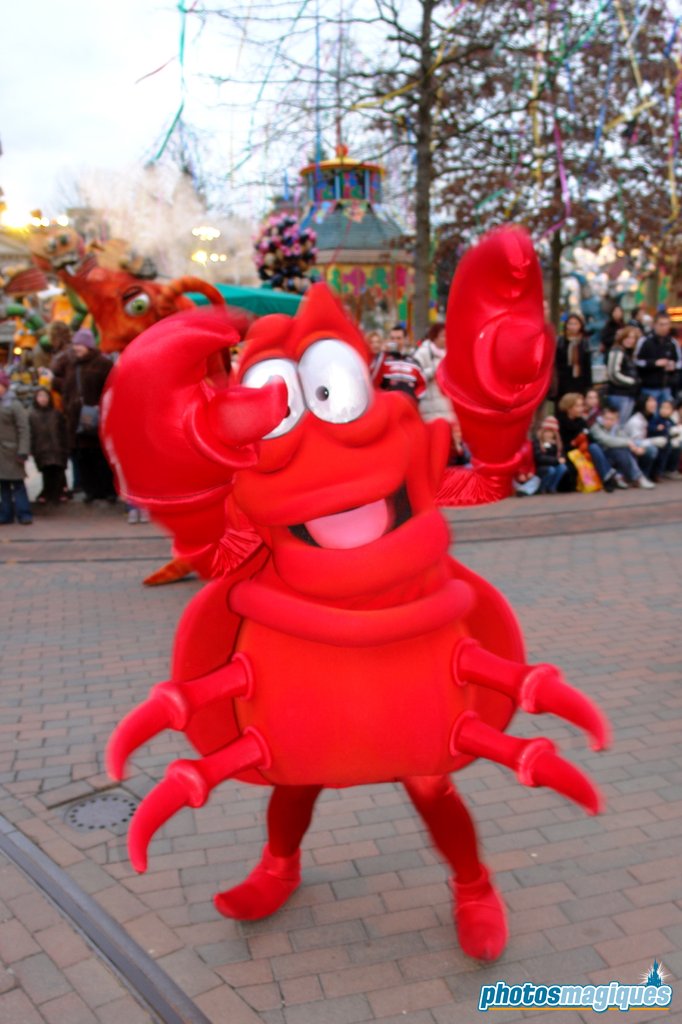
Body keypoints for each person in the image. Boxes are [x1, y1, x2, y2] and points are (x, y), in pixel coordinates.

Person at [60, 329, 117, 503]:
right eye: (75, 344)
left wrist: (102, 407)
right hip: (76, 419)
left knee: (100, 455)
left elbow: (112, 387)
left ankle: (108, 490)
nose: (76, 348)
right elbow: (65, 387)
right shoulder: (71, 364)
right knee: (82, 456)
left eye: (80, 345)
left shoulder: (103, 363)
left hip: (96, 418)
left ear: (89, 346)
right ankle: (90, 490)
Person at [557, 392, 618, 491]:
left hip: (583, 451)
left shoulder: (581, 421)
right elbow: (563, 445)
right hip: (569, 454)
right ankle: (608, 476)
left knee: (594, 447)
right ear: (569, 408)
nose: (581, 409)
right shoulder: (561, 422)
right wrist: (577, 442)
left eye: (582, 405)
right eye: (578, 406)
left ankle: (607, 476)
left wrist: (584, 441)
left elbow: (590, 439)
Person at [589, 403, 656, 488]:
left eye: (611, 419)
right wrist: (628, 443)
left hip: (616, 456)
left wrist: (636, 447)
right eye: (606, 418)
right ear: (602, 418)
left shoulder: (618, 428)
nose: (608, 421)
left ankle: (631, 476)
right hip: (603, 457)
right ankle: (637, 478)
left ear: (616, 420)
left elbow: (627, 439)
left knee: (648, 450)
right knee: (619, 449)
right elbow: (607, 441)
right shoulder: (596, 428)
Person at [0, 371, 32, 524]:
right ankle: (6, 514)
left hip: (12, 452)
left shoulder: (14, 404)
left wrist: (23, 450)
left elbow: (23, 429)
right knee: (3, 485)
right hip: (1, 454)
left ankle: (24, 514)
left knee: (18, 484)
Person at [29, 387, 69, 504]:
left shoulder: (56, 414)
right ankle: (47, 492)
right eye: (40, 396)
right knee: (46, 472)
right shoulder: (32, 415)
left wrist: (65, 446)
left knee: (58, 470)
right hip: (40, 448)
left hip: (57, 448)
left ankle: (59, 492)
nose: (43, 399)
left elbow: (63, 431)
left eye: (45, 396)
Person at [370, 323, 426, 402]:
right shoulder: (382, 360)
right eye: (392, 338)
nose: (395, 341)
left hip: (408, 406)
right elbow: (373, 382)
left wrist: (415, 398)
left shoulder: (414, 362)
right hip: (388, 405)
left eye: (399, 338)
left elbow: (422, 385)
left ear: (406, 339)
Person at [634, 311, 681, 405]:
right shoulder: (645, 340)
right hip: (648, 387)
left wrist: (674, 365)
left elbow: (680, 361)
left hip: (667, 386)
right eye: (661, 324)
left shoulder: (672, 342)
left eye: (667, 324)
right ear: (654, 325)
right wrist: (654, 363)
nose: (664, 327)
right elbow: (636, 361)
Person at [606, 325, 641, 425]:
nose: (630, 340)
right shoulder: (617, 351)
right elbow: (613, 374)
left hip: (629, 393)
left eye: (633, 338)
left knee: (623, 424)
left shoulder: (629, 353)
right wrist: (632, 382)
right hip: (619, 394)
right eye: (628, 337)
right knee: (618, 424)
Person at [554, 313, 592, 401]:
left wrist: (588, 386)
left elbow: (587, 366)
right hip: (562, 381)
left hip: (579, 380)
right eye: (570, 324)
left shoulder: (584, 342)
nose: (572, 326)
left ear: (580, 326)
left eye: (575, 324)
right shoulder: (560, 341)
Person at [647, 398, 682, 479]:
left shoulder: (669, 421)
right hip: (657, 441)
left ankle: (664, 471)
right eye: (662, 408)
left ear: (672, 411)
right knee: (660, 456)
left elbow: (673, 430)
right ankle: (656, 473)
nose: (664, 410)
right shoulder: (656, 419)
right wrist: (656, 428)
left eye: (667, 408)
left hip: (667, 442)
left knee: (674, 448)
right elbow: (650, 428)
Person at [532, 415, 568, 493]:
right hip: (542, 467)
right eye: (547, 431)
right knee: (551, 470)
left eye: (551, 432)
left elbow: (562, 454)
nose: (548, 434)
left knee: (563, 468)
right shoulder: (539, 442)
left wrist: (562, 458)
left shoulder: (557, 443)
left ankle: (552, 487)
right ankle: (542, 487)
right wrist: (556, 460)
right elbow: (539, 457)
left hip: (554, 465)